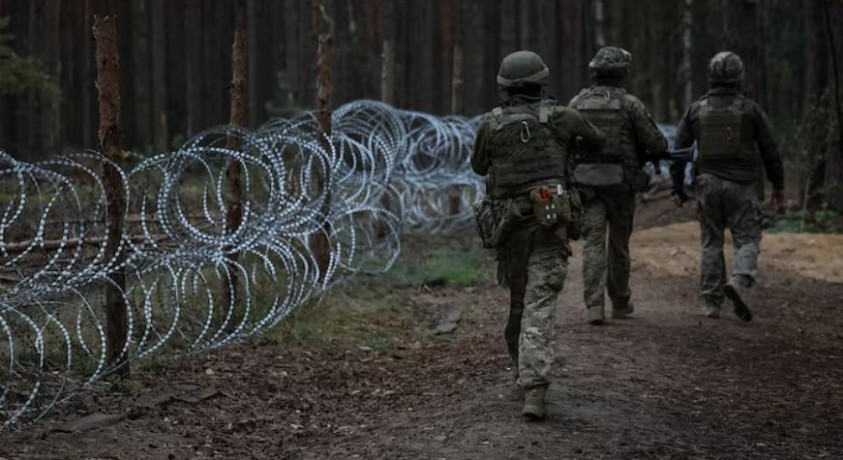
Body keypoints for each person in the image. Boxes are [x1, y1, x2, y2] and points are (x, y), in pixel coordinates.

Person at [471, 50, 604, 420]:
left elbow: (479, 164)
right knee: (539, 304)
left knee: (518, 302)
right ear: (541, 82)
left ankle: (521, 373)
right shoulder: (562, 117)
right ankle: (535, 388)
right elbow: (599, 140)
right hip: (550, 223)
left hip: (509, 226)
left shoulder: (491, 123)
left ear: (504, 88)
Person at [670, 51, 784, 321]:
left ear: (711, 77)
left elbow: (678, 151)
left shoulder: (696, 110)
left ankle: (711, 302)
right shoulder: (750, 110)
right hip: (742, 185)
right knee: (748, 239)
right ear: (738, 77)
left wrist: (678, 187)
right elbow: (770, 150)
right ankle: (740, 280)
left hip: (706, 185)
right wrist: (778, 185)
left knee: (711, 242)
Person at [569, 47, 668, 325]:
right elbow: (658, 144)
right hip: (621, 184)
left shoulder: (577, 102)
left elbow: (565, 140)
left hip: (586, 184)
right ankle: (621, 303)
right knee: (618, 244)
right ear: (623, 73)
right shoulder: (630, 104)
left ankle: (594, 306)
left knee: (593, 243)